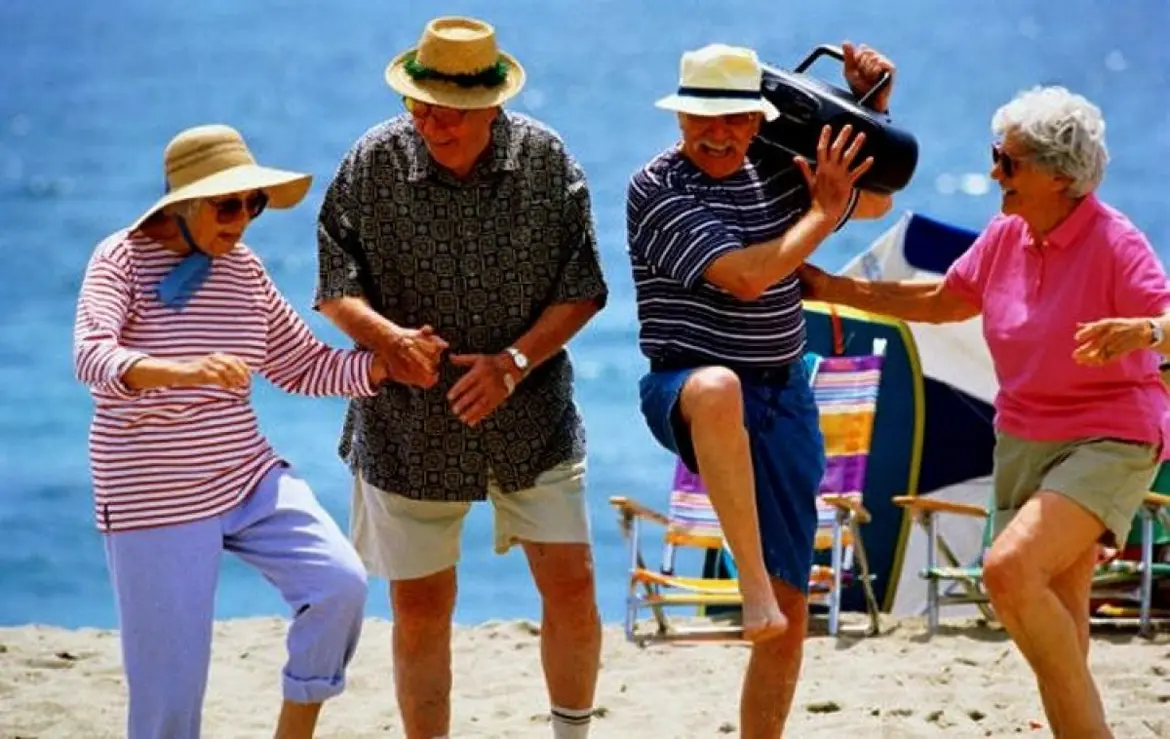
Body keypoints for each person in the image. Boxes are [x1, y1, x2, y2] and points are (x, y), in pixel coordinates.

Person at [800, 85, 1170, 738]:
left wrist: (1144, 331)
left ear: (1061, 176)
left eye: (1009, 161)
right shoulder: (1007, 235)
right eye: (995, 156)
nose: (994, 173)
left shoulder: (1116, 242)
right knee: (1062, 613)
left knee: (1007, 569)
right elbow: (945, 299)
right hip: (1024, 437)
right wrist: (835, 288)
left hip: (1109, 436)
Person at [313, 16, 608, 739]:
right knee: (420, 607)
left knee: (571, 585)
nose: (428, 121)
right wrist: (386, 337)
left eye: (446, 110)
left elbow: (584, 287)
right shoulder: (371, 162)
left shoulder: (546, 159)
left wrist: (512, 363)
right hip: (406, 426)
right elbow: (333, 286)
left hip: (532, 415)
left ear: (489, 106)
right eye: (419, 104)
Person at [72, 124, 388, 739]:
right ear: (182, 205)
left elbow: (302, 365)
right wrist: (182, 372)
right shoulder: (120, 260)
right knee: (170, 697)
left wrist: (385, 365)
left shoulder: (243, 270)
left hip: (246, 477)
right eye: (228, 204)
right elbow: (91, 358)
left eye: (254, 203)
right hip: (152, 496)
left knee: (339, 584)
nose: (244, 218)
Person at [626, 41, 896, 736]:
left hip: (783, 396)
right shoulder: (657, 188)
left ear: (757, 118)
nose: (716, 134)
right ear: (679, 115)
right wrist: (816, 216)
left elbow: (873, 201)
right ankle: (747, 587)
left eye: (734, 119)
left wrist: (873, 107)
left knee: (792, 604)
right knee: (718, 388)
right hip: (684, 386)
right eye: (700, 119)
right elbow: (747, 277)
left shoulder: (777, 166)